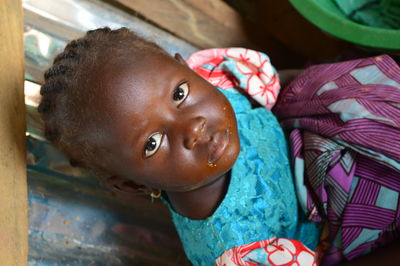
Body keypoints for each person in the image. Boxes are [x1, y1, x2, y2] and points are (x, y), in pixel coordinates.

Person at [38, 27, 400, 265]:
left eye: (180, 93)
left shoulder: (218, 83)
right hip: (340, 228)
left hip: (317, 145)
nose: (193, 128)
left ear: (190, 72)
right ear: (136, 185)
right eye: (153, 142)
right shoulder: (235, 244)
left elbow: (287, 83)